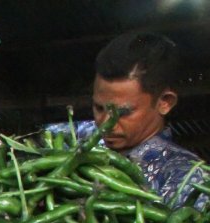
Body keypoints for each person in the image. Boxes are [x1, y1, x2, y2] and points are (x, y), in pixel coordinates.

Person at [52, 33, 206, 210]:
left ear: (165, 102)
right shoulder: (73, 136)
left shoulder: (186, 177)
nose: (105, 124)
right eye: (99, 108)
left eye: (123, 113)